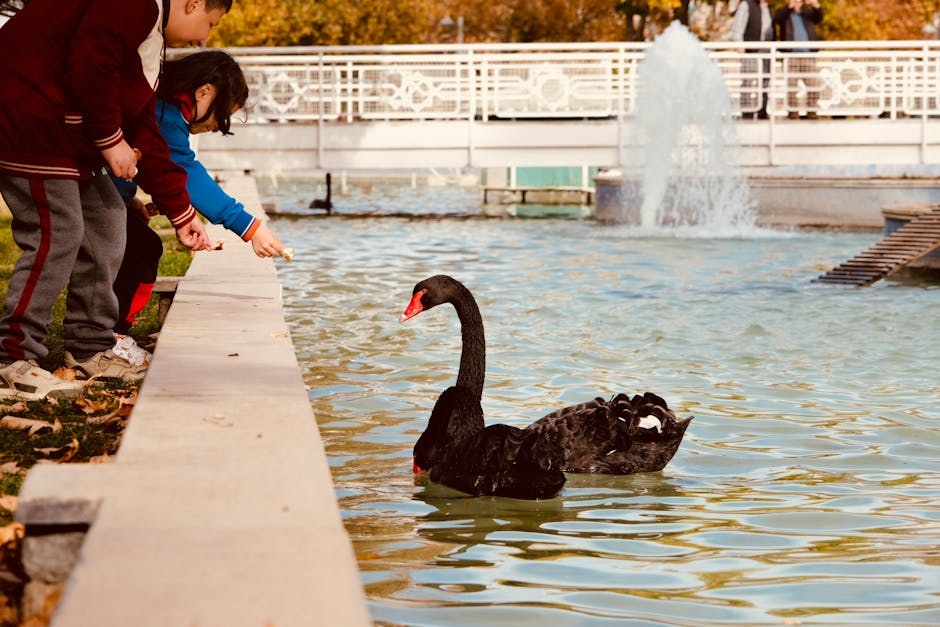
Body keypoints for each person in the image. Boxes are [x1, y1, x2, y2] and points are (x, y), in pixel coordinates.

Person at [0, 0, 231, 401]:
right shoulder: (133, 4)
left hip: (66, 136)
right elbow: (91, 65)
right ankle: (11, 359)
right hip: (29, 119)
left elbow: (141, 124)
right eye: (209, 23)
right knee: (58, 232)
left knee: (108, 220)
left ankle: (89, 345)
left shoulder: (150, 35)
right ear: (193, 3)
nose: (203, 39)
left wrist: (181, 212)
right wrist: (110, 140)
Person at [112, 50, 288, 336]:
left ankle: (109, 331)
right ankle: (112, 333)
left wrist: (127, 199)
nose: (217, 125)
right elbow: (184, 172)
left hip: (102, 188)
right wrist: (251, 227)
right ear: (204, 91)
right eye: (223, 114)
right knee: (141, 249)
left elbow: (153, 167)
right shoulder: (167, 115)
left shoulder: (162, 105)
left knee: (137, 244)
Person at [774, 0, 824, 119]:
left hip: (808, 55)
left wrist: (815, 4)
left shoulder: (807, 13)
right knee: (791, 86)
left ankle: (812, 112)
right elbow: (777, 19)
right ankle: (793, 113)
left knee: (813, 84)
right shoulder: (784, 13)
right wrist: (789, 7)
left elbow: (819, 18)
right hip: (791, 56)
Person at [732, 0, 774, 120]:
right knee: (748, 81)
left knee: (765, 80)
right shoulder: (747, 4)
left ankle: (762, 111)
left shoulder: (769, 7)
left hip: (767, 50)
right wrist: (739, 43)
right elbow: (738, 25)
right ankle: (747, 113)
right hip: (751, 50)